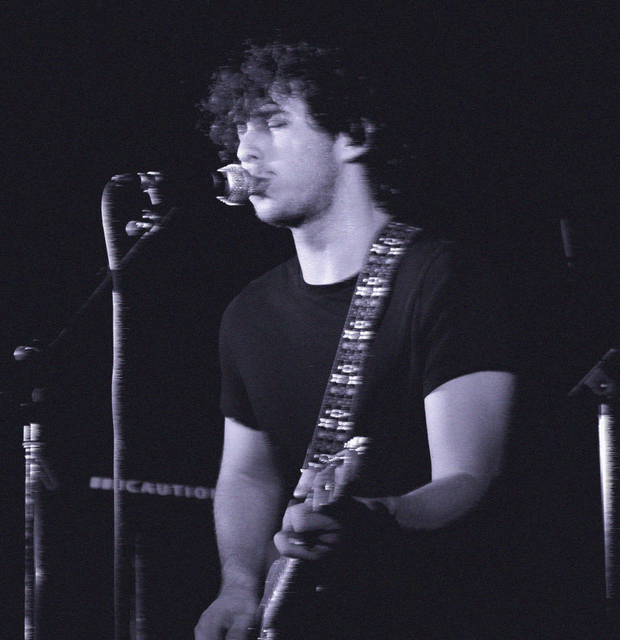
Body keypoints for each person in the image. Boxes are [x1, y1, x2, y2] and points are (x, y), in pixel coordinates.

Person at [194, 41, 517, 640]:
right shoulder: (248, 314)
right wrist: (238, 587)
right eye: (240, 130)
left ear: (355, 136)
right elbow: (247, 475)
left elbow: (469, 477)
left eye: (275, 123)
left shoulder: (442, 277)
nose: (245, 150)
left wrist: (376, 516)